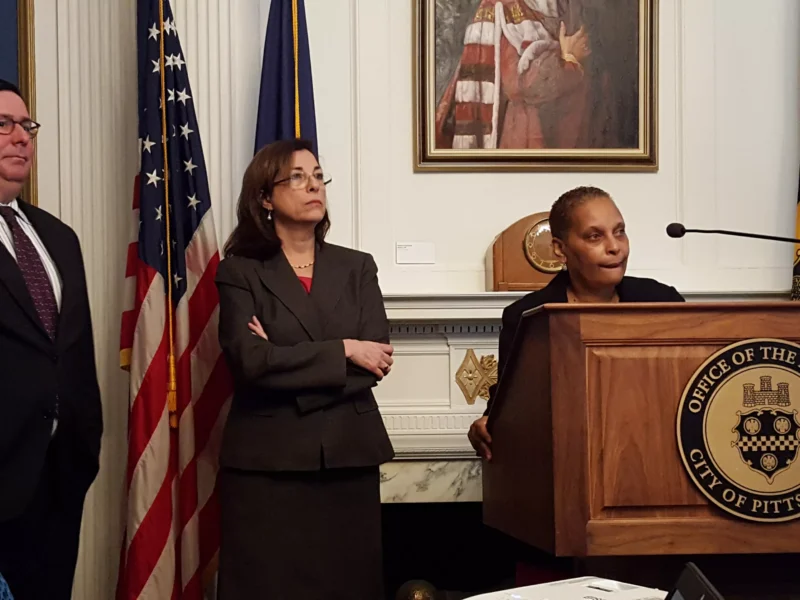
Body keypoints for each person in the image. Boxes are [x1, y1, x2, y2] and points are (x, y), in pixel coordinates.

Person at [215, 138, 395, 599]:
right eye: (297, 177)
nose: (314, 186)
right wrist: (345, 349)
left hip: (348, 457)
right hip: (267, 463)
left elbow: (375, 362)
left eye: (318, 176)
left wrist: (285, 358)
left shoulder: (358, 267)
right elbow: (250, 363)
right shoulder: (240, 271)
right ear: (265, 197)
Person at [468, 186, 683, 459]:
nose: (614, 247)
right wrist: (486, 425)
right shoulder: (529, 316)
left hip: (655, 453)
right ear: (560, 249)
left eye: (619, 232)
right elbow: (508, 405)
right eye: (595, 236)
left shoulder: (661, 301)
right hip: (568, 456)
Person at [0, 79, 103, 598]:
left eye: (27, 126)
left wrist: (86, 443)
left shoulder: (59, 237)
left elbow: (72, 352)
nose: (22, 137)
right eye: (3, 125)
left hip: (59, 476)